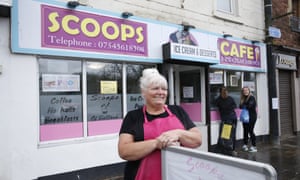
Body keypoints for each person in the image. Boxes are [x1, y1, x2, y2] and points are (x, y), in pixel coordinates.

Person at [118, 68, 202, 180]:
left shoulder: (177, 111)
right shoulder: (133, 117)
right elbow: (124, 151)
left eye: (164, 89)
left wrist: (178, 134)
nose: (161, 92)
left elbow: (197, 140)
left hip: (177, 175)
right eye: (155, 88)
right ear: (144, 92)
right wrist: (157, 143)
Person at [215, 86, 237, 156]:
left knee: (226, 135)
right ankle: (231, 150)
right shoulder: (230, 98)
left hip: (227, 119)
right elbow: (234, 106)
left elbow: (218, 106)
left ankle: (228, 150)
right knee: (231, 135)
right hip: (232, 118)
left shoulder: (219, 100)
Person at [240, 87, 257, 152]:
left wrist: (244, 105)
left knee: (250, 131)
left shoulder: (251, 98)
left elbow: (249, 106)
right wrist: (245, 105)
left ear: (249, 91)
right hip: (245, 117)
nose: (245, 91)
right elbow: (240, 106)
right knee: (245, 130)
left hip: (251, 117)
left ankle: (254, 146)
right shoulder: (243, 98)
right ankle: (245, 144)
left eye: (246, 90)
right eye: (244, 90)